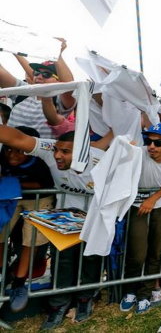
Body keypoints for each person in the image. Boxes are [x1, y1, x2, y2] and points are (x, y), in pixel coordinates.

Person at [0, 126, 109, 329]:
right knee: (62, 261)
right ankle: (59, 303)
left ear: (82, 152)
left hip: (95, 218)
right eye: (57, 150)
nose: (57, 155)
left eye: (65, 152)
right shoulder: (51, 149)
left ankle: (86, 298)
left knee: (90, 258)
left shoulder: (103, 161)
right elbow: (16, 138)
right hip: (63, 217)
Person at [120, 123, 161, 314]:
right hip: (137, 207)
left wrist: (153, 198)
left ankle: (145, 294)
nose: (151, 146)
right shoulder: (137, 153)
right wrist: (125, 149)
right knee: (137, 252)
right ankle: (130, 290)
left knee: (156, 252)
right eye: (148, 141)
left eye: (158, 142)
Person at [0, 126, 55, 313]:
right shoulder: (3, 156)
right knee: (1, 231)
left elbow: (43, 184)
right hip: (12, 197)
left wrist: (12, 183)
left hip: (39, 200)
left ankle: (19, 282)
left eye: (19, 150)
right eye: (9, 149)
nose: (12, 155)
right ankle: (2, 274)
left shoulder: (40, 161)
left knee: (30, 240)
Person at [0, 39, 76, 139]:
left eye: (46, 74)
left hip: (38, 149)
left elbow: (69, 85)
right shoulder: (24, 91)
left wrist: (57, 53)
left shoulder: (60, 100)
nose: (39, 77)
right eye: (36, 73)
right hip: (8, 148)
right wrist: (13, 48)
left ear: (59, 81)